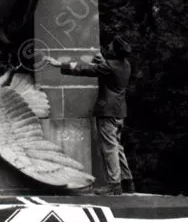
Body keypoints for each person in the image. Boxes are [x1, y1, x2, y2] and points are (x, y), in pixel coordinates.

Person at [45, 37, 135, 195]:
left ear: (114, 51)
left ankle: (114, 184)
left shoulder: (109, 66)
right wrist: (102, 62)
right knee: (117, 146)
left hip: (107, 111)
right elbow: (105, 68)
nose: (107, 47)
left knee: (109, 148)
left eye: (110, 46)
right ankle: (127, 181)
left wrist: (60, 64)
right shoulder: (125, 65)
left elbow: (85, 69)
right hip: (119, 111)